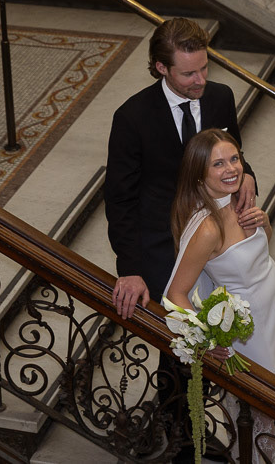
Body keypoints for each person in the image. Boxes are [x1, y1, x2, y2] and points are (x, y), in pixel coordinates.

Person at [105, 18, 256, 318]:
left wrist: (248, 173)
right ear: (162, 67)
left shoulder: (220, 97)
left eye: (204, 68)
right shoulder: (132, 118)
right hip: (164, 244)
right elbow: (120, 199)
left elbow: (232, 149)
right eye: (188, 73)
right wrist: (131, 268)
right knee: (179, 332)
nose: (200, 80)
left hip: (220, 234)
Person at [164, 129, 275, 459]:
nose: (231, 169)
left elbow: (259, 252)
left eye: (234, 159)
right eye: (218, 164)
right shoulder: (207, 228)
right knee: (259, 428)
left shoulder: (239, 201)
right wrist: (206, 341)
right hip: (251, 340)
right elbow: (175, 294)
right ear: (199, 174)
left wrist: (264, 223)